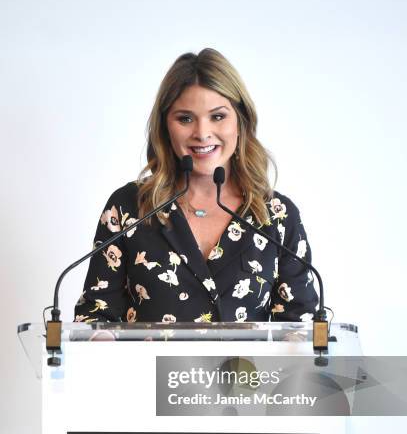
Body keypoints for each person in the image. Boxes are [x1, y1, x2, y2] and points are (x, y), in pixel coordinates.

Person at [74, 48, 318, 325]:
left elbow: (301, 326)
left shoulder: (277, 214)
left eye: (217, 116)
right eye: (185, 118)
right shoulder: (129, 206)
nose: (202, 133)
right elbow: (95, 314)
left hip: (245, 370)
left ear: (241, 120)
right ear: (165, 126)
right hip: (145, 370)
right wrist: (99, 335)